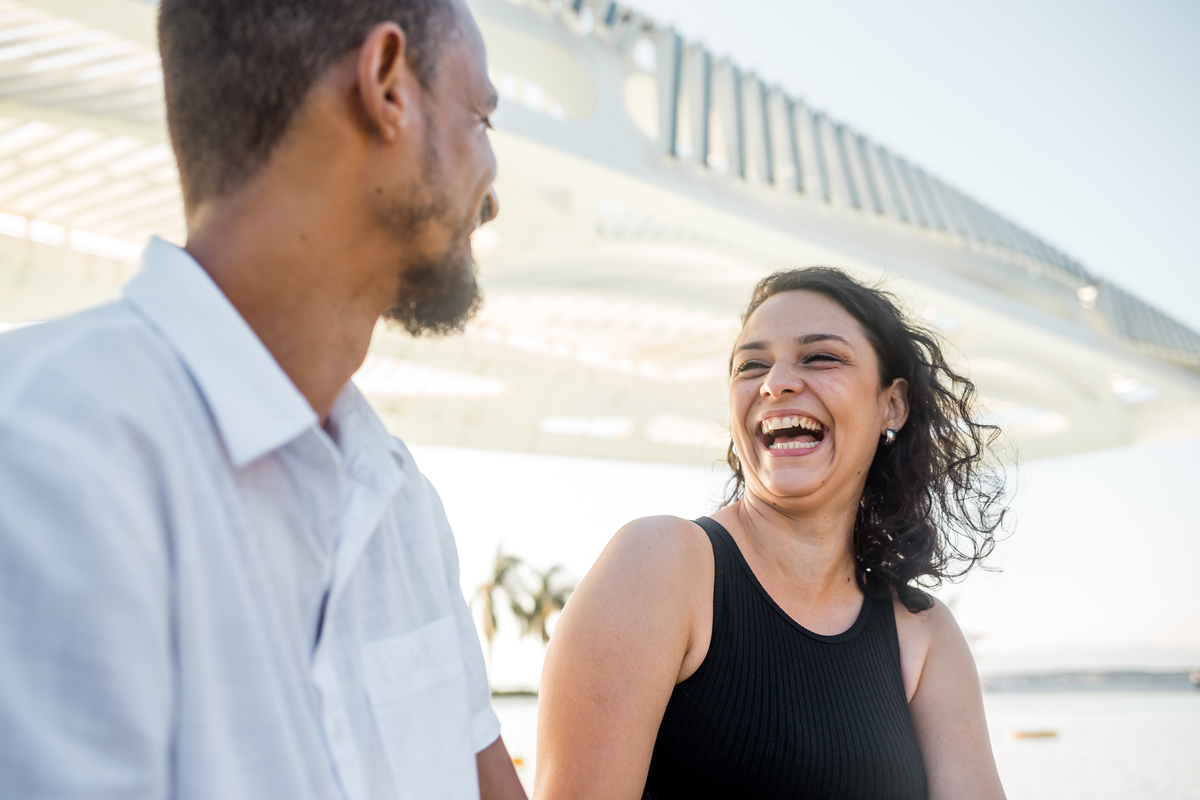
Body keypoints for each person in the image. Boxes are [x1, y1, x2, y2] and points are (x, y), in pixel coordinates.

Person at [0, 1, 526, 798]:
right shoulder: (46, 456)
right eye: (481, 117)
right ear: (387, 85)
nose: (492, 196)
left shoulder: (401, 502)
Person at [536, 268, 1010, 800]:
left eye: (820, 357)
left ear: (891, 404)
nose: (775, 382)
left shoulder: (924, 635)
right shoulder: (659, 564)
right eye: (752, 365)